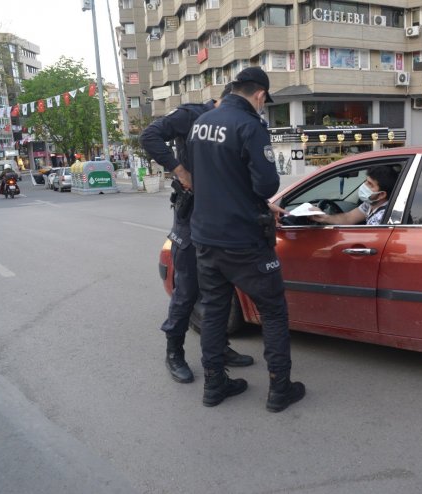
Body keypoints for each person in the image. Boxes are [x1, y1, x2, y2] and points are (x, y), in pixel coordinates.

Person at [188, 67, 305, 412]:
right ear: (259, 96)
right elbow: (266, 184)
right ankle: (279, 388)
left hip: (205, 237)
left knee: (213, 311)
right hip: (243, 240)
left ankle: (214, 385)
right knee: (273, 311)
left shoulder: (201, 122)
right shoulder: (249, 126)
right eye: (264, 103)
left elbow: (206, 175)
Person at [140, 83, 254, 385]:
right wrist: (180, 171)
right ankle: (174, 352)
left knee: (221, 286)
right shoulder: (192, 115)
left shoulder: (236, 124)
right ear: (224, 100)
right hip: (191, 218)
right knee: (187, 288)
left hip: (221, 218)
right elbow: (149, 136)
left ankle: (219, 348)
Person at [310, 166, 399, 226]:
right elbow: (349, 217)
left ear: (381, 195)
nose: (364, 185)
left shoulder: (381, 217)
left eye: (370, 184)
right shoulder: (371, 204)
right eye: (366, 181)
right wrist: (324, 217)